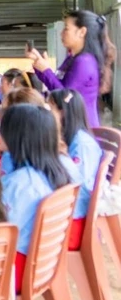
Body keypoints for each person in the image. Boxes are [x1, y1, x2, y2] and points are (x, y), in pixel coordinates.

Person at [0, 104, 72, 293]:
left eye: (2, 126)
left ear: (15, 136)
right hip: (42, 260)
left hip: (14, 266)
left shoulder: (20, 183)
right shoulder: (60, 165)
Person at [27, 10, 116, 128]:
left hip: (81, 127)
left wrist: (46, 70)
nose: (61, 33)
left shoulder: (84, 62)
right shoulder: (72, 58)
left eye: (66, 28)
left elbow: (65, 97)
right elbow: (57, 85)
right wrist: (40, 65)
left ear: (82, 32)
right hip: (71, 124)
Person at [47, 89, 102, 250]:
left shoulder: (82, 144)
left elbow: (77, 185)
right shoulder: (73, 139)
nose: (47, 113)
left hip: (74, 217)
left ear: (62, 113)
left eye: (50, 108)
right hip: (68, 212)